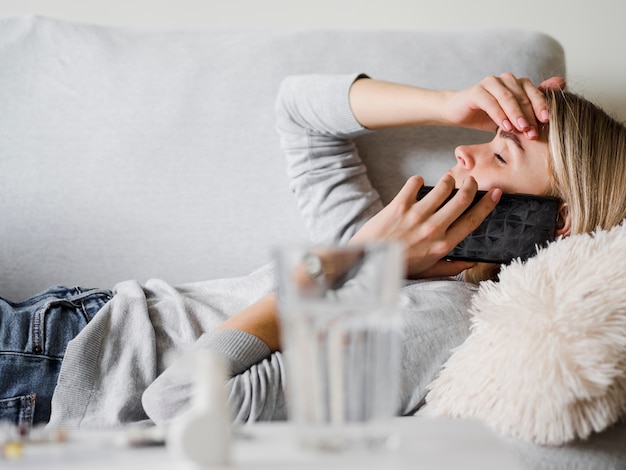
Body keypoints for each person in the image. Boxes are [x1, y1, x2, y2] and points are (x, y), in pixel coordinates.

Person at [2, 71, 625, 430]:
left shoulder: (435, 321)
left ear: (556, 221)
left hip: (60, 365)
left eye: (499, 156)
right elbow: (299, 112)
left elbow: (182, 403)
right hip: (75, 321)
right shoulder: (400, 243)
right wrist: (447, 104)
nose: (464, 152)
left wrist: (352, 260)